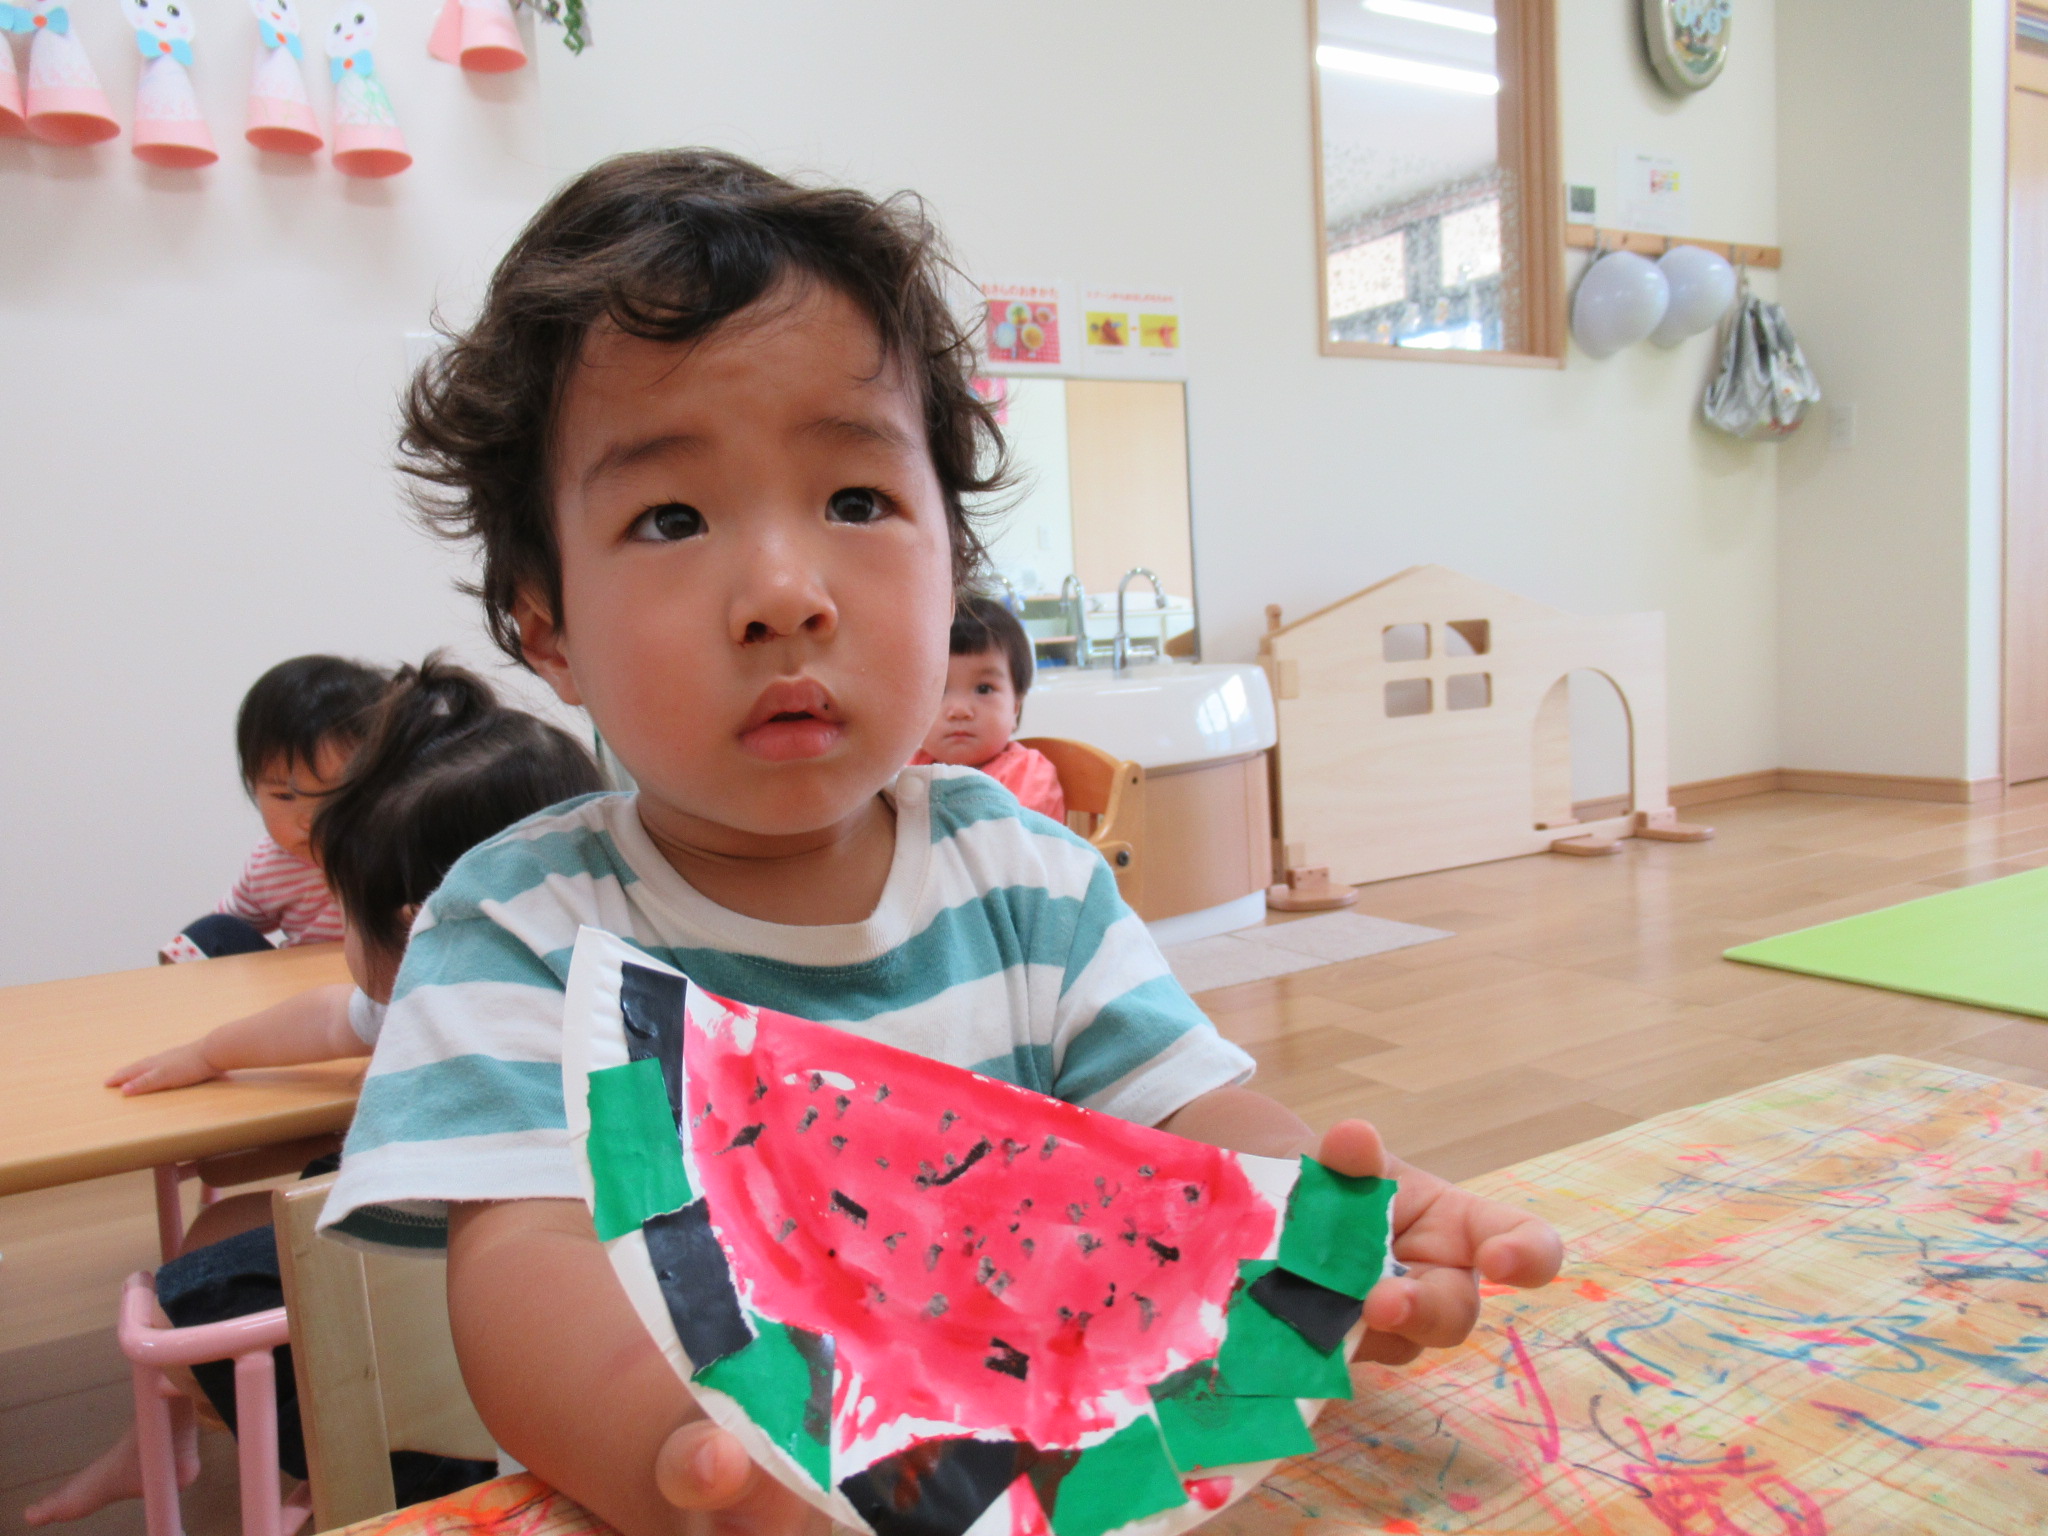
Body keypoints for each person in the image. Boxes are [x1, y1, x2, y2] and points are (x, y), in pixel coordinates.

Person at [315, 148, 1564, 1536]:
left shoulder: (1027, 876)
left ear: (948, 561)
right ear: (546, 621)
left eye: (857, 502)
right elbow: (527, 1275)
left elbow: (1190, 1133)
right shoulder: (517, 930)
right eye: (670, 517)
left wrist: (1326, 1243)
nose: (785, 595)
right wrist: (700, 1462)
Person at [25, 657, 603, 1528]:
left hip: (466, 1411)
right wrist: (209, 1050)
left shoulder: (447, 1018)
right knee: (225, 1231)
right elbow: (338, 1019)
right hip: (532, 1347)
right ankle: (213, 1443)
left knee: (187, 1297)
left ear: (416, 924)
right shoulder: (520, 983)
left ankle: (328, 1456)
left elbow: (349, 1021)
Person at [159, 655, 390, 964]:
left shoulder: (396, 851)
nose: (310, 819)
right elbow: (230, 929)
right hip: (299, 995)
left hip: (385, 990)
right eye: (284, 796)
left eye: (336, 797)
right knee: (213, 933)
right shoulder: (269, 865)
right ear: (254, 786)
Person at [912, 593, 1065, 820]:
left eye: (984, 689)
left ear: (1015, 707)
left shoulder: (1027, 775)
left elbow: (1015, 850)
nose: (960, 710)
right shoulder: (908, 769)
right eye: (939, 690)